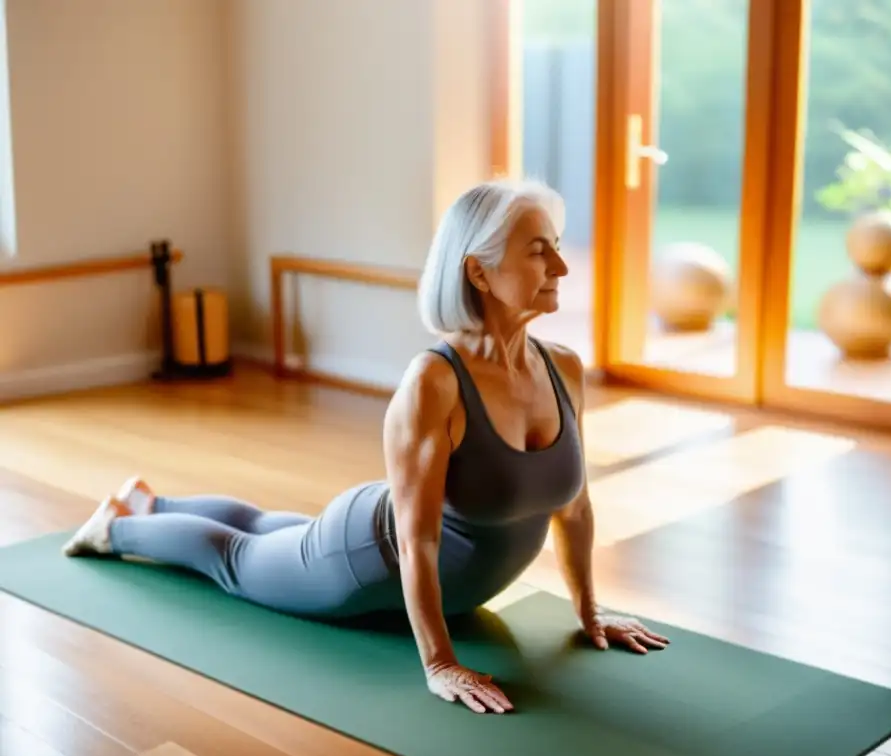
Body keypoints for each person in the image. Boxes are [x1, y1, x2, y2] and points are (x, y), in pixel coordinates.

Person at [61, 178, 670, 715]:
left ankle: (150, 501)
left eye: (558, 248)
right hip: (360, 558)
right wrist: (438, 662)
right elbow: (417, 540)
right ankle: (112, 530)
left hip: (409, 545)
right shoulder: (434, 382)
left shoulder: (562, 367)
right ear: (478, 271)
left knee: (264, 523)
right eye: (540, 253)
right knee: (238, 559)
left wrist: (589, 614)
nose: (561, 269)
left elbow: (576, 508)